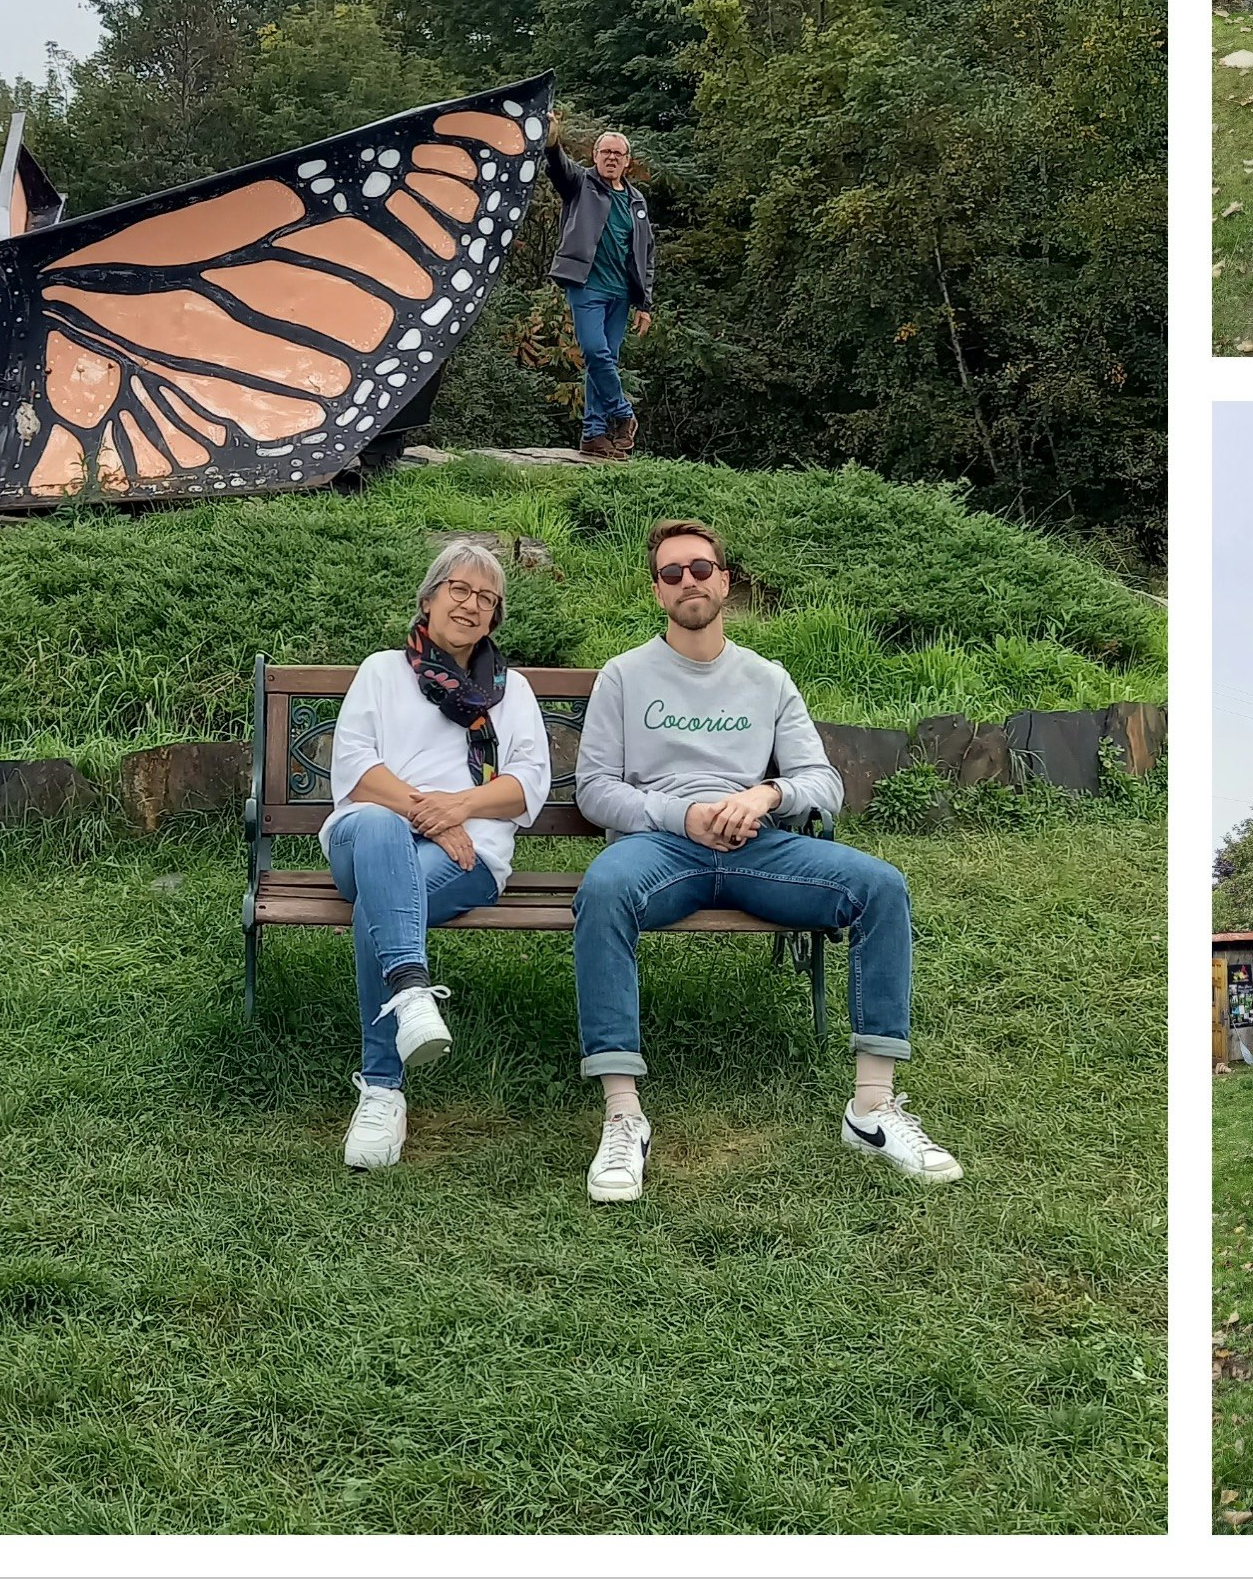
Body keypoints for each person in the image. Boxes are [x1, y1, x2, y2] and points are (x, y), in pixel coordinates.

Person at [570, 521, 959, 1203]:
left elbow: (822, 782)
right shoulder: (624, 676)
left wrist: (766, 793)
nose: (687, 582)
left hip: (758, 849)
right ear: (657, 592)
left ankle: (871, 1108)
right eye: (671, 574)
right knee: (603, 887)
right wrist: (679, 814)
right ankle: (623, 1114)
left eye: (700, 568)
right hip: (660, 850)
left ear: (725, 579)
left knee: (881, 887)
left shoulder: (766, 678)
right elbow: (597, 788)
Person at [324, 540, 553, 1171]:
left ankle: (382, 1086)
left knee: (384, 897)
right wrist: (430, 813)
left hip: (466, 854)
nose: (471, 605)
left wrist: (462, 808)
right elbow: (356, 771)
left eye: (487, 598)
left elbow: (529, 783)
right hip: (367, 835)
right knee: (377, 829)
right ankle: (410, 996)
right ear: (428, 599)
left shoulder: (513, 692)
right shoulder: (380, 671)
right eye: (459, 589)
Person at [544, 124, 654, 459]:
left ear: (627, 162)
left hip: (621, 294)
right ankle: (623, 414)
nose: (610, 158)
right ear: (594, 156)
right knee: (594, 351)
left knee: (605, 359)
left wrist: (644, 303)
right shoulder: (582, 184)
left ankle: (593, 434)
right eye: (604, 152)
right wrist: (551, 141)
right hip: (586, 284)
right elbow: (559, 167)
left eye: (616, 154)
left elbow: (645, 253)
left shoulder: (636, 200)